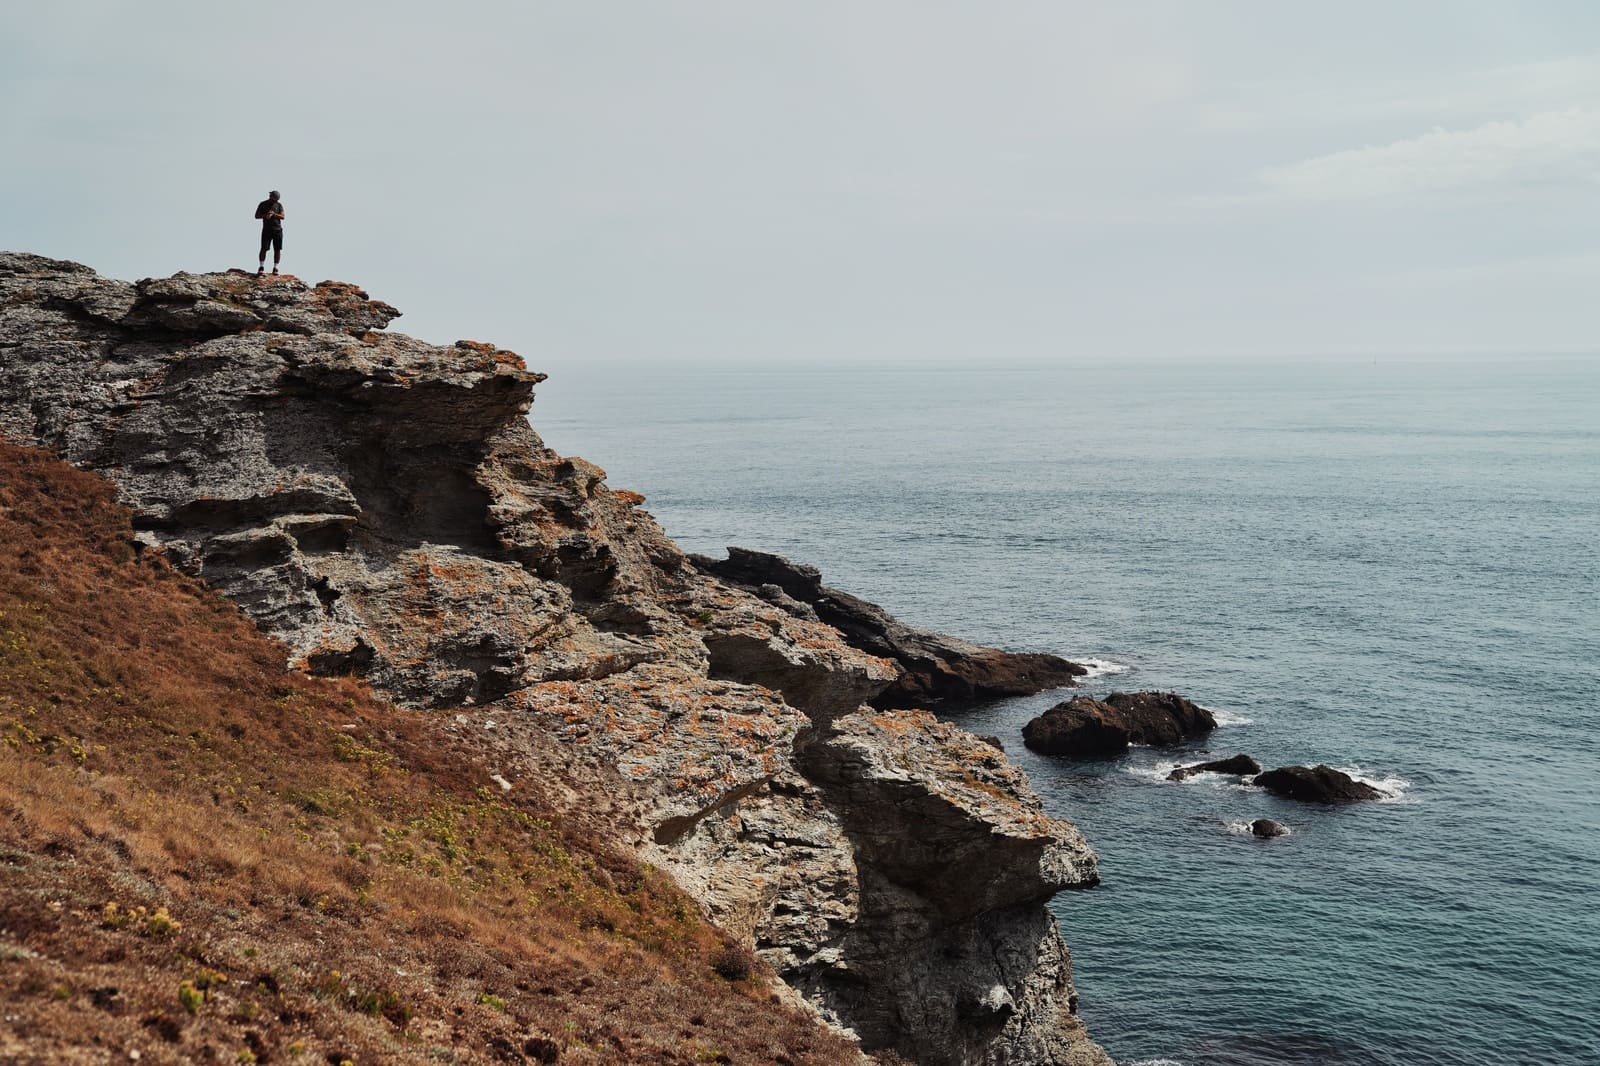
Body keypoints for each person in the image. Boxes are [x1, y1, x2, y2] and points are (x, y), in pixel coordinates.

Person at [255, 190, 285, 275]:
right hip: (266, 230)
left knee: (277, 249)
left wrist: (274, 214)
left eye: (275, 199)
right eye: (272, 198)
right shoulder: (262, 204)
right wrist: (266, 215)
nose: (274, 201)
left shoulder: (279, 205)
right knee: (264, 248)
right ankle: (261, 267)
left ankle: (275, 268)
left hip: (277, 230)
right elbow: (256, 216)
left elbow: (283, 216)